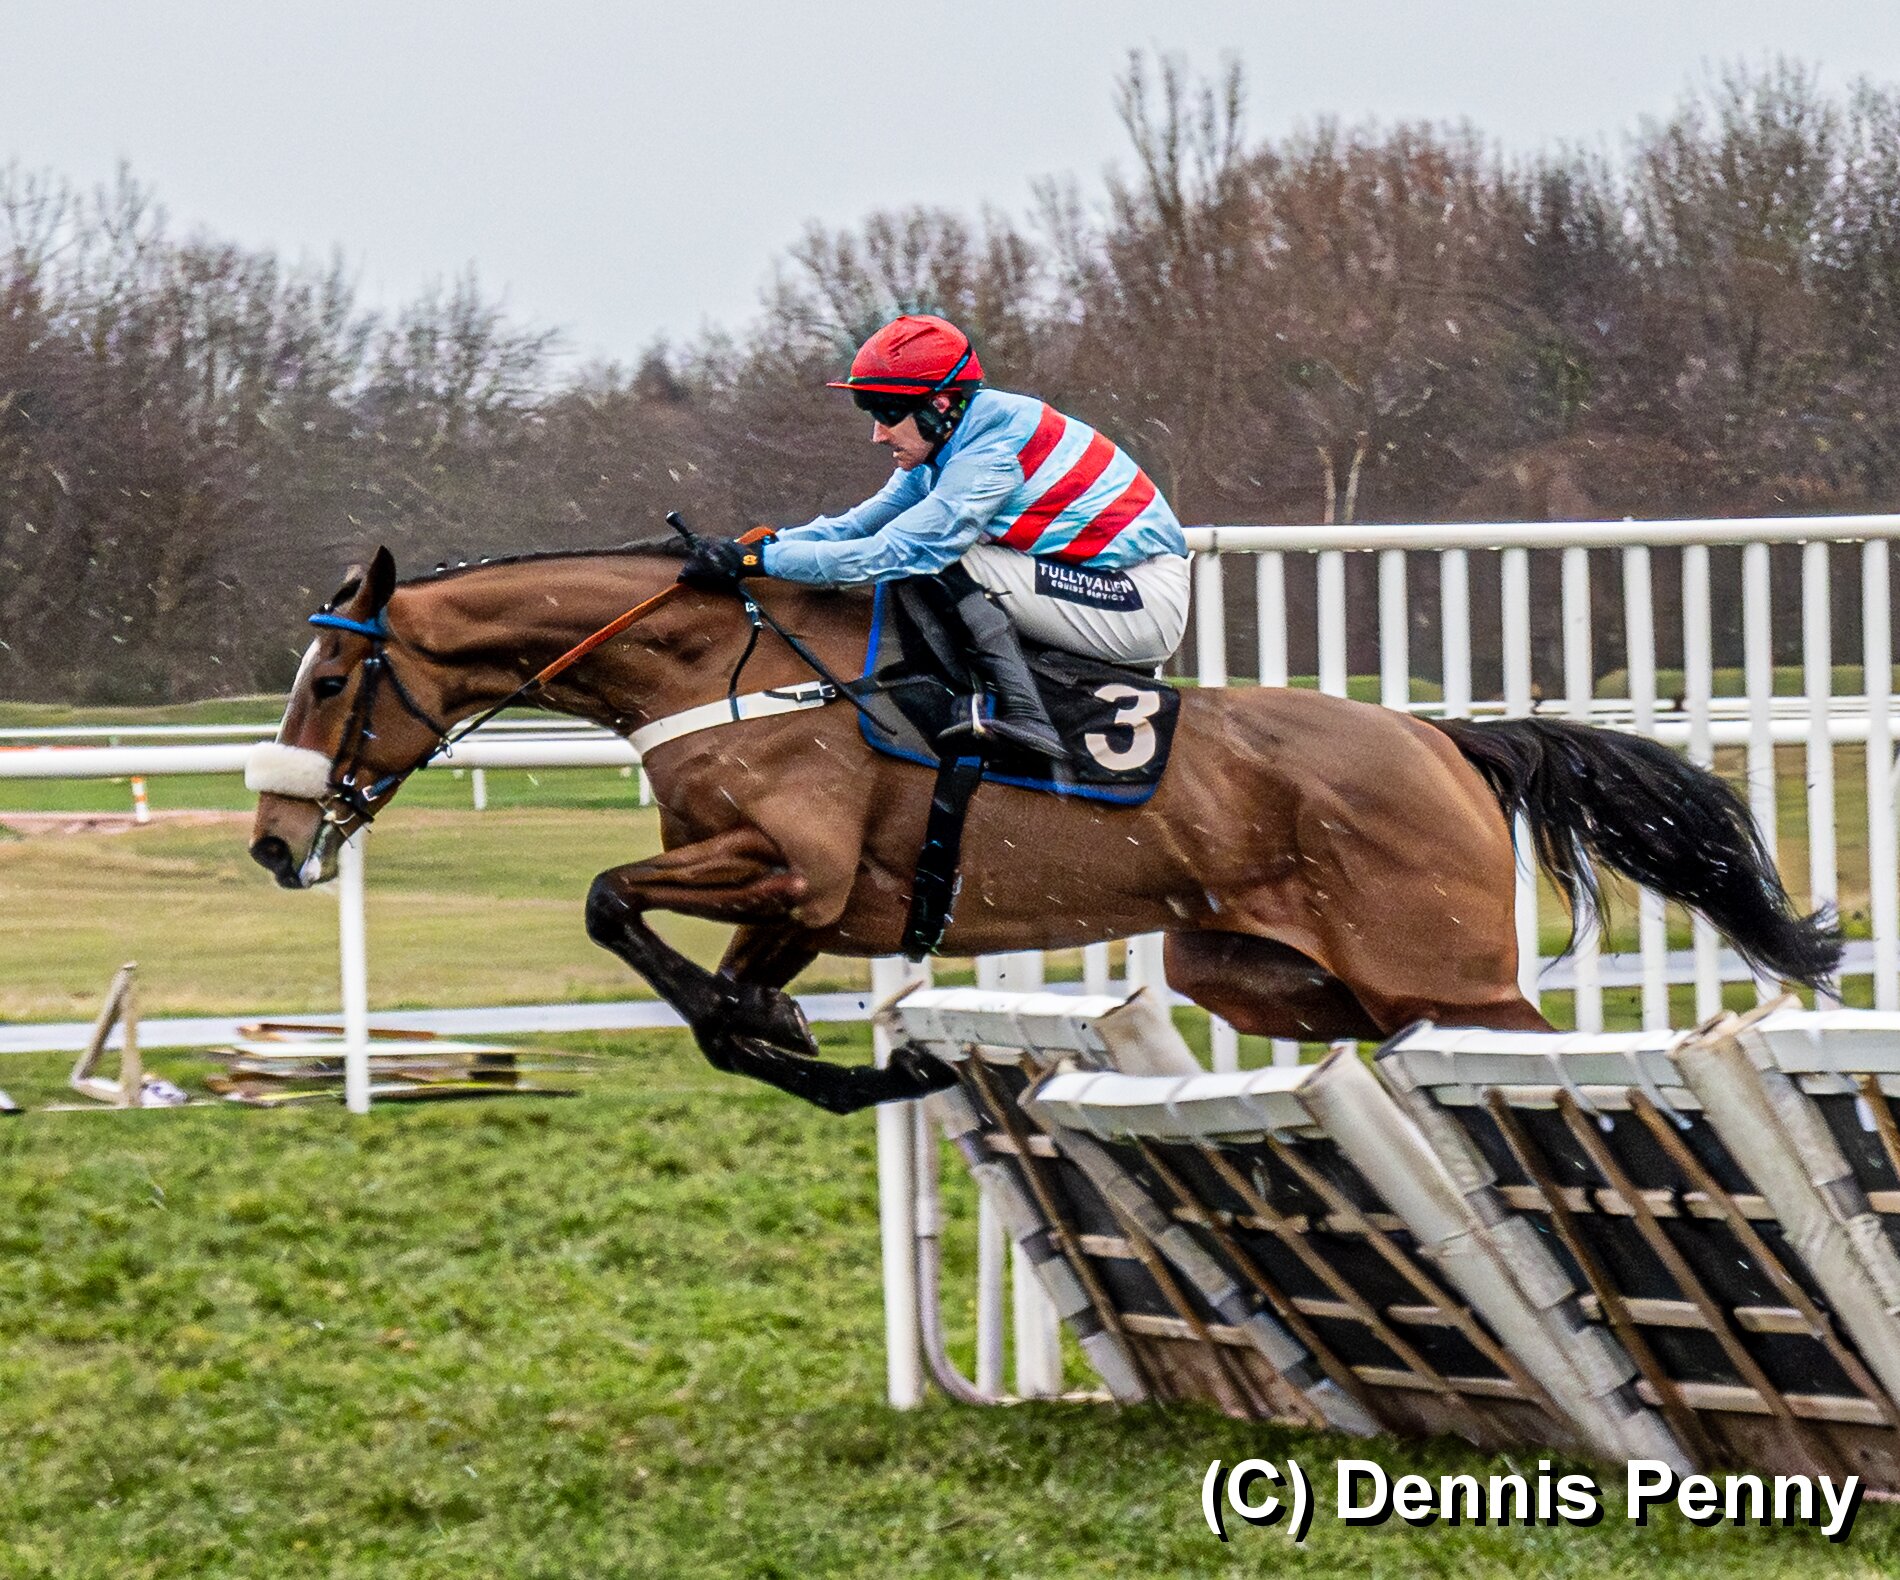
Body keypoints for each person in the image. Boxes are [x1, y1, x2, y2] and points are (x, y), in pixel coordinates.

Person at [678, 313, 1191, 758]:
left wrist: (759, 565)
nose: (877, 433)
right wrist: (758, 548)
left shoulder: (990, 453)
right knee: (934, 558)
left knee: (942, 560)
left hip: (1141, 599)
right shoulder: (949, 440)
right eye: (869, 411)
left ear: (940, 404)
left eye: (886, 413)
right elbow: (856, 525)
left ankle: (1027, 717)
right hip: (1100, 583)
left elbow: (896, 552)